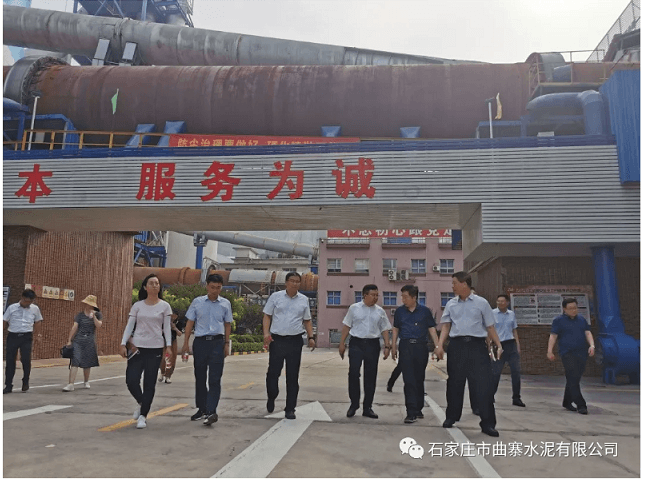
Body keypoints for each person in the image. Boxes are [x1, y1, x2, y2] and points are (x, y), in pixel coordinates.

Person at [436, 271, 503, 437]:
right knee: (454, 383)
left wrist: (498, 345)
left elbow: (490, 326)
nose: (452, 286)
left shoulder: (481, 303)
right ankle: (451, 416)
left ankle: (488, 424)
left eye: (454, 283)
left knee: (483, 385)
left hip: (477, 347)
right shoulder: (451, 304)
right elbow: (446, 326)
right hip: (457, 346)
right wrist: (440, 345)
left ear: (464, 284)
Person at [120, 274, 172, 429]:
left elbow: (166, 328)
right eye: (152, 283)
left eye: (157, 283)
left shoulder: (165, 306)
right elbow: (130, 325)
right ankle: (142, 402)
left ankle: (143, 415)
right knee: (131, 380)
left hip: (155, 347)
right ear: (145, 287)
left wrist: (169, 345)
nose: (155, 285)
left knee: (149, 383)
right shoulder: (138, 306)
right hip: (137, 347)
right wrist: (123, 343)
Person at [182, 274, 233, 426]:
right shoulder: (197, 302)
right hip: (200, 343)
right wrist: (185, 343)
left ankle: (211, 411)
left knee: (215, 378)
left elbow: (227, 324)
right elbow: (190, 323)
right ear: (207, 286)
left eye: (218, 288)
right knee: (200, 377)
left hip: (217, 343)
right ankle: (202, 409)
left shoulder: (225, 304)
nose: (215, 290)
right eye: (212, 287)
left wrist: (226, 344)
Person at [263, 272, 315, 420]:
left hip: (295, 341)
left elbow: (307, 320)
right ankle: (272, 396)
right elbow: (267, 316)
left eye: (298, 281)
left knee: (293, 376)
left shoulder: (304, 300)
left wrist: (311, 337)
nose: (295, 284)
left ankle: (290, 408)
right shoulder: (275, 297)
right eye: (292, 281)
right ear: (286, 282)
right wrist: (266, 334)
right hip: (277, 341)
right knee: (273, 373)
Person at [339, 284, 392, 419]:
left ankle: (367, 407)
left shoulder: (380, 311)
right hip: (356, 343)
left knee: (370, 376)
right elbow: (347, 326)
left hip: (372, 345)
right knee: (353, 374)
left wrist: (387, 346)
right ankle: (354, 404)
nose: (375, 298)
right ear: (365, 295)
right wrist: (342, 343)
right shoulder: (354, 308)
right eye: (373, 295)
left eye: (377, 295)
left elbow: (385, 329)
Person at [391, 284, 440, 424]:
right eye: (402, 297)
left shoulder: (425, 311)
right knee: (408, 380)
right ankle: (410, 411)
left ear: (414, 297)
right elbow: (396, 329)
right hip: (405, 346)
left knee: (419, 378)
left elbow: (431, 329)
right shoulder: (400, 312)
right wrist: (394, 346)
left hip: (421, 347)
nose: (403, 299)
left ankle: (418, 408)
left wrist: (438, 346)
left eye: (405, 297)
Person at [547, 297, 595, 415]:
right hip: (567, 353)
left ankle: (567, 401)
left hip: (581, 352)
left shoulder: (581, 320)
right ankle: (581, 404)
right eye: (570, 308)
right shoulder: (558, 320)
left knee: (574, 378)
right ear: (564, 309)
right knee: (573, 376)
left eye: (575, 308)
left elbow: (587, 333)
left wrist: (592, 345)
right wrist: (550, 351)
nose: (573, 310)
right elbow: (553, 336)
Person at [3, 289, 43, 393]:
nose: (28, 304)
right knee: (10, 360)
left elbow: (38, 321)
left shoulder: (35, 309)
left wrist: (38, 334)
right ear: (22, 298)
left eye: (30, 302)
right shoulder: (12, 308)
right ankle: (8, 385)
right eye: (26, 301)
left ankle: (25, 381)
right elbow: (4, 321)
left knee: (26, 359)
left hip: (26, 336)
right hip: (13, 335)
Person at [489, 294, 525, 407]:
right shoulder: (492, 313)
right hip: (498, 345)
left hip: (511, 344)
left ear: (507, 303)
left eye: (502, 301)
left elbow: (514, 330)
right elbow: (489, 330)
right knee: (496, 372)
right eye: (498, 301)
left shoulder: (511, 314)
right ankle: (490, 396)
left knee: (516, 371)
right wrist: (489, 347)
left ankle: (516, 398)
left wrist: (517, 345)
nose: (500, 303)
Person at [62, 295, 102, 392]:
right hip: (78, 340)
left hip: (90, 341)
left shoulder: (98, 314)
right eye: (87, 304)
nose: (88, 306)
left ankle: (86, 381)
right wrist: (69, 340)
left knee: (87, 363)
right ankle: (71, 384)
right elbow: (74, 327)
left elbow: (99, 325)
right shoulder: (79, 315)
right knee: (75, 360)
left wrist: (94, 317)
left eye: (90, 304)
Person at [159, 313, 183, 384]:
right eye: (171, 315)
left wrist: (174, 328)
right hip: (163, 341)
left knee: (172, 359)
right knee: (162, 359)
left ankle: (168, 376)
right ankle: (162, 373)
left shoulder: (178, 323)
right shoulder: (163, 321)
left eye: (174, 316)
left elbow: (180, 334)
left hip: (173, 341)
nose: (173, 317)